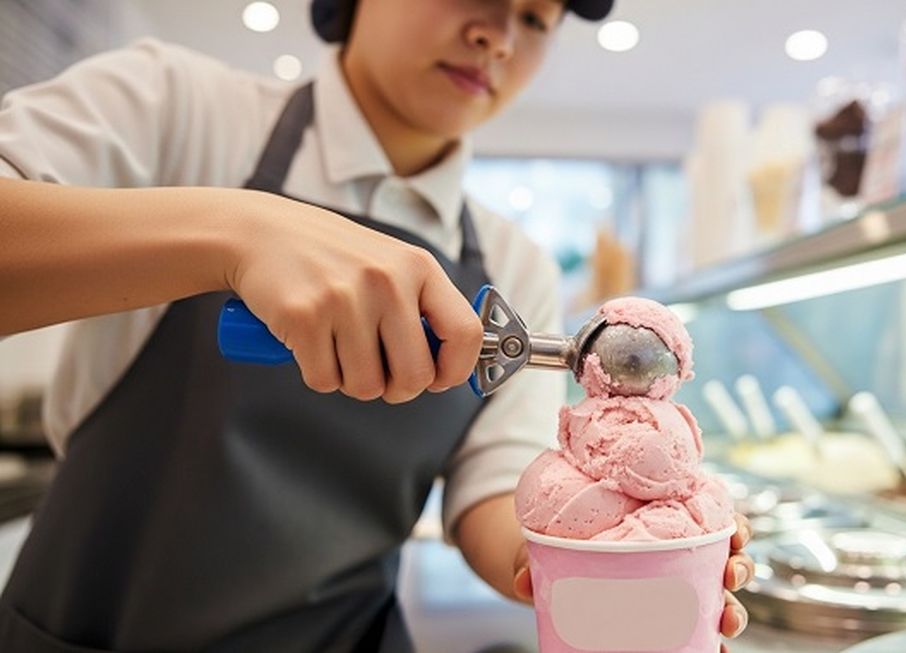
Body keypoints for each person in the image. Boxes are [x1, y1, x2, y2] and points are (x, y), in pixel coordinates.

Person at [0, 0, 755, 651]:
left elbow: (494, 488)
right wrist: (234, 232)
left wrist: (605, 552)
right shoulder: (179, 107)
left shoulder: (511, 265)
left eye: (535, 16)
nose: (499, 35)